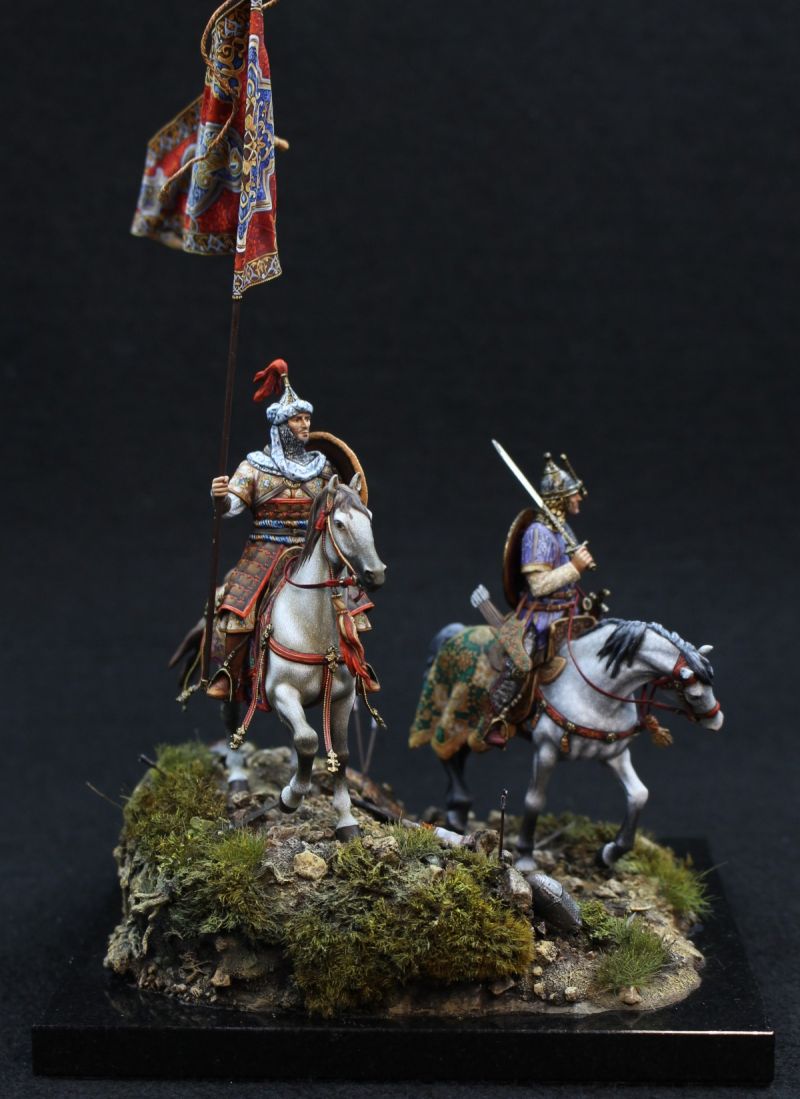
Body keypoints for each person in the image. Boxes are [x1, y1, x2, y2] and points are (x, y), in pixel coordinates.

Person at [206, 358, 365, 700]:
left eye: (307, 418)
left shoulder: (323, 469)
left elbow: (342, 506)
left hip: (311, 549)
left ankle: (357, 668)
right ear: (281, 425)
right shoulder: (255, 467)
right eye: (297, 419)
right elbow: (232, 507)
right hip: (266, 548)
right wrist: (219, 498)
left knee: (353, 603)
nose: (305, 424)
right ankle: (229, 675)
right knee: (239, 607)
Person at [484, 453, 595, 746]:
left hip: (569, 608)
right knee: (520, 663)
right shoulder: (537, 534)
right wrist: (575, 568)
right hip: (541, 616)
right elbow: (538, 584)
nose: (579, 499)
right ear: (560, 500)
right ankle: (496, 715)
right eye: (573, 495)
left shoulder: (563, 528)